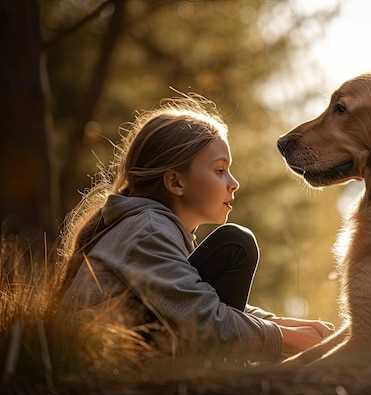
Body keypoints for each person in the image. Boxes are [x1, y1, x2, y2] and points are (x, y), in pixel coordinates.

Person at [59, 96, 334, 363]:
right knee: (235, 245)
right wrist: (295, 340)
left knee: (231, 248)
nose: (233, 183)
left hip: (129, 360)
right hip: (111, 374)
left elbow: (196, 298)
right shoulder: (147, 231)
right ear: (175, 182)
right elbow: (204, 320)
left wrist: (292, 326)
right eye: (220, 170)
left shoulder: (151, 229)